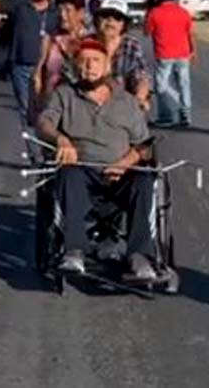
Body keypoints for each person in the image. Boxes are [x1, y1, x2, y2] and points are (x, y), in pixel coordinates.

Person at [36, 39, 158, 281]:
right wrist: (61, 139)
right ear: (75, 67)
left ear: (107, 66)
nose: (90, 66)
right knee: (68, 173)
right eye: (84, 61)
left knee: (145, 179)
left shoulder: (126, 101)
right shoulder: (65, 95)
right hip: (82, 170)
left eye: (96, 61)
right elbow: (43, 122)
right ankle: (74, 251)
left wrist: (125, 162)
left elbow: (145, 147)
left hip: (122, 173)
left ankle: (139, 256)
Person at [4, 0, 59, 130]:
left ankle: (45, 147)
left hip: (48, 70)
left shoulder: (56, 12)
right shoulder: (19, 5)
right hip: (21, 65)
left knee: (47, 110)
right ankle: (35, 153)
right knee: (26, 109)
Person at [31, 0, 88, 121]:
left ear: (80, 13)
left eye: (68, 10)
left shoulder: (89, 40)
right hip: (51, 106)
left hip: (80, 109)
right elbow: (39, 73)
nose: (62, 15)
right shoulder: (50, 39)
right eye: (59, 10)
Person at [145, 0, 196, 128]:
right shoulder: (183, 12)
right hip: (183, 54)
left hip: (164, 55)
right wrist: (194, 51)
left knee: (161, 86)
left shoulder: (155, 12)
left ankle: (166, 116)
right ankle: (185, 114)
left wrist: (149, 11)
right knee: (183, 84)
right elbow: (190, 33)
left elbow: (146, 32)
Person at [94, 0, 150, 108]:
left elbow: (141, 76)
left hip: (121, 107)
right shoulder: (86, 43)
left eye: (117, 17)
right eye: (105, 15)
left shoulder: (131, 45)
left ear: (124, 24)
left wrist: (140, 97)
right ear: (97, 20)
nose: (110, 20)